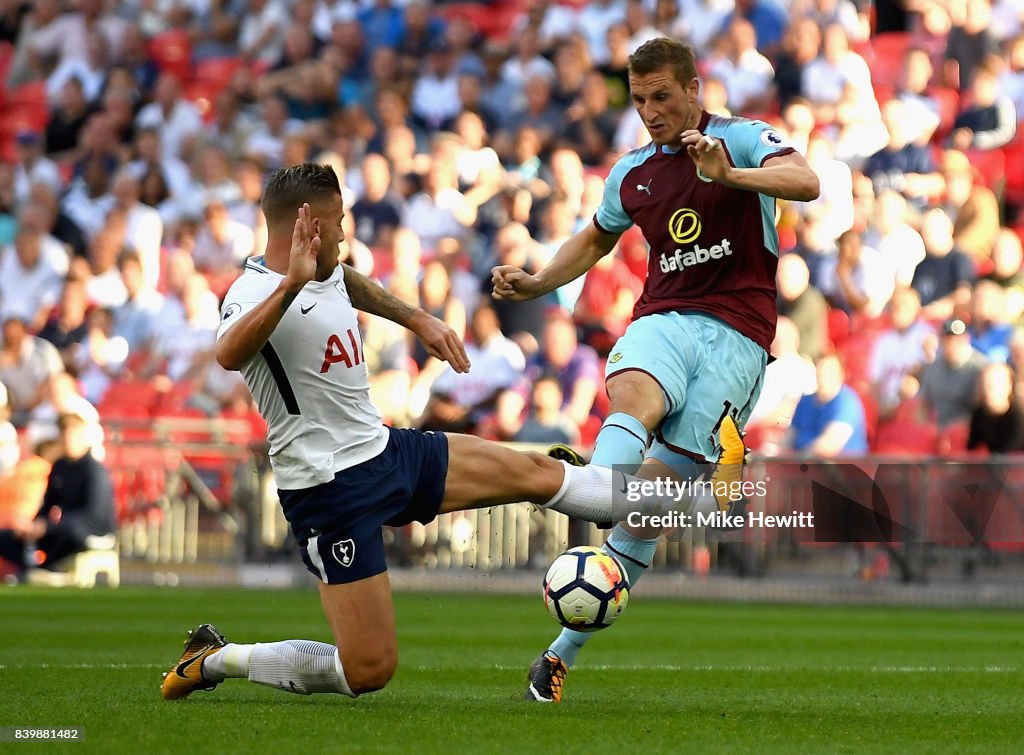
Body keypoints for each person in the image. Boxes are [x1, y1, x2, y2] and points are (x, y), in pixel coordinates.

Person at [160, 163, 738, 703]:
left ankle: (700, 497)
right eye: (337, 218)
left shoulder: (330, 270)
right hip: (329, 491)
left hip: (390, 451)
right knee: (367, 671)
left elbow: (346, 283)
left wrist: (417, 318)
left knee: (538, 472)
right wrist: (292, 285)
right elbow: (230, 353)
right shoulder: (253, 291)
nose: (345, 229)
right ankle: (217, 658)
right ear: (307, 221)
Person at [492, 37, 819, 702]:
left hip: (738, 340)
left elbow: (806, 181)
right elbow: (596, 235)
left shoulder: (743, 138)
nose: (650, 110)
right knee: (634, 398)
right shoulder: (632, 171)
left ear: (695, 88)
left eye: (662, 96)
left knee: (648, 508)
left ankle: (559, 653)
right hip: (664, 319)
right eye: (639, 99)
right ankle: (589, 486)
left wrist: (734, 178)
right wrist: (539, 283)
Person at [0, 409, 115, 582]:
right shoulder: (60, 467)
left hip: (87, 530)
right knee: (7, 538)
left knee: (72, 533)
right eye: (65, 434)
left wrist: (49, 526)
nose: (68, 439)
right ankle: (35, 569)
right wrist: (33, 526)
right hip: (61, 528)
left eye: (73, 433)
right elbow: (49, 504)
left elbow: (92, 514)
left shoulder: (95, 471)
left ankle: (48, 568)